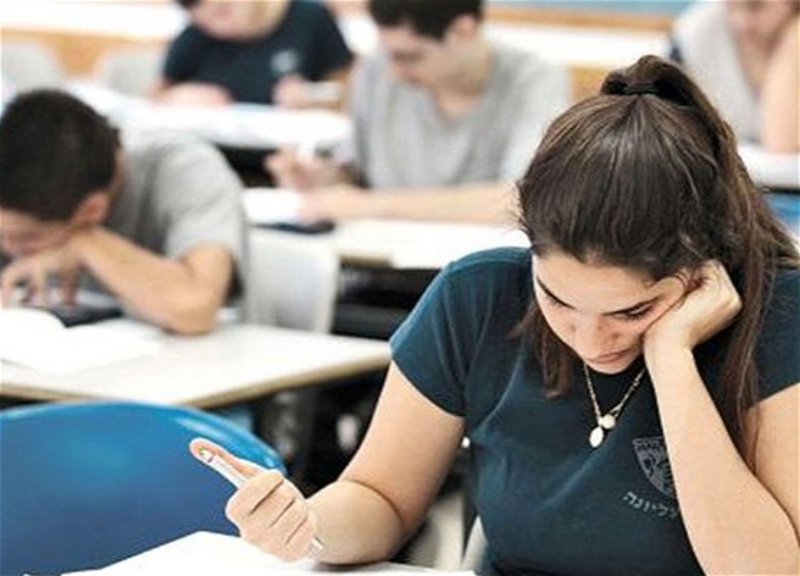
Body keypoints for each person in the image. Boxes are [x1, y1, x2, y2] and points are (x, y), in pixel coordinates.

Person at [193, 54, 800, 573]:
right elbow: (382, 496)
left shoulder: (778, 317)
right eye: (558, 299)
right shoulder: (479, 297)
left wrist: (672, 360)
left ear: (702, 267)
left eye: (634, 310)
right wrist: (308, 523)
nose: (591, 338)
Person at [267, 0, 570, 223]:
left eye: (410, 56)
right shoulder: (376, 69)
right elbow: (355, 176)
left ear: (463, 29)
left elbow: (522, 202)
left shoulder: (536, 80)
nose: (395, 73)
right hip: (373, 257)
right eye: (389, 54)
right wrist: (320, 180)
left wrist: (371, 205)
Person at [0, 89, 245, 336]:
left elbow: (195, 308)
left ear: (91, 210)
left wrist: (86, 242)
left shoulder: (187, 170)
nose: (7, 247)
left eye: (27, 238)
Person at [155, 0, 354, 108]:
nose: (221, 27)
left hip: (290, 151)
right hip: (217, 148)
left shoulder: (310, 18)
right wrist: (179, 97)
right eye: (206, 24)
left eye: (223, 11)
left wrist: (313, 95)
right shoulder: (196, 36)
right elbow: (156, 97)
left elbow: (350, 91)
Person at [670, 0, 799, 153]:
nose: (741, 23)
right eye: (732, 7)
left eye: (756, 7)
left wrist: (793, 48)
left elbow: (782, 143)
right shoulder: (696, 32)